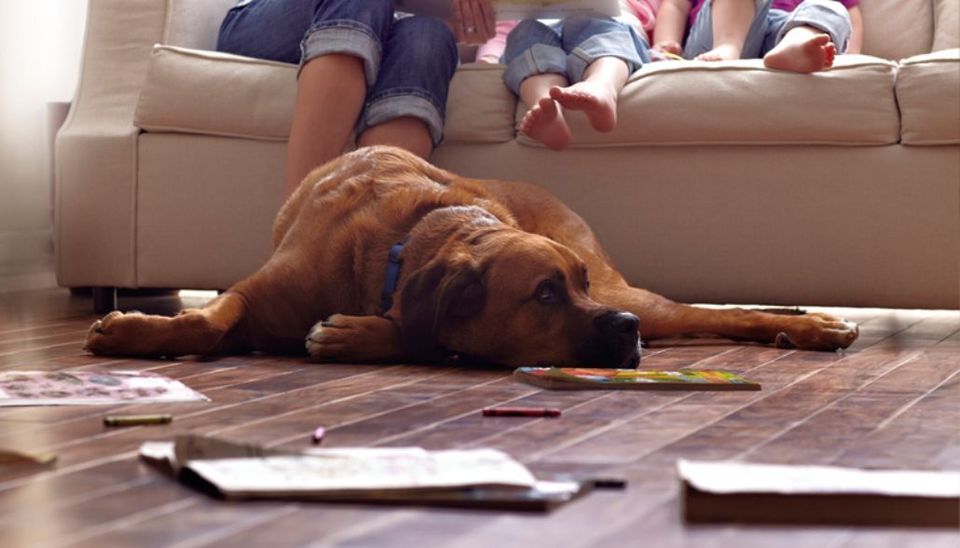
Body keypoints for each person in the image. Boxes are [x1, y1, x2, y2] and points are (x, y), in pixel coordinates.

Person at [217, 0, 495, 197]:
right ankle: (299, 229)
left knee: (429, 36)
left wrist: (466, 20)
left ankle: (361, 243)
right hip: (274, 19)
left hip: (390, 28)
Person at [499, 4, 653, 151]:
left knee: (593, 20)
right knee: (525, 32)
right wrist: (486, 56)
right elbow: (499, 30)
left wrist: (664, 46)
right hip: (542, 26)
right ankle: (546, 106)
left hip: (608, 24)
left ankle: (600, 86)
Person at [653, 0, 860, 72]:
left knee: (831, 7)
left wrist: (849, 58)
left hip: (783, 31)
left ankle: (797, 46)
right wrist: (665, 43)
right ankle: (728, 47)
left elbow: (852, 17)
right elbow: (675, 6)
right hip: (717, 34)